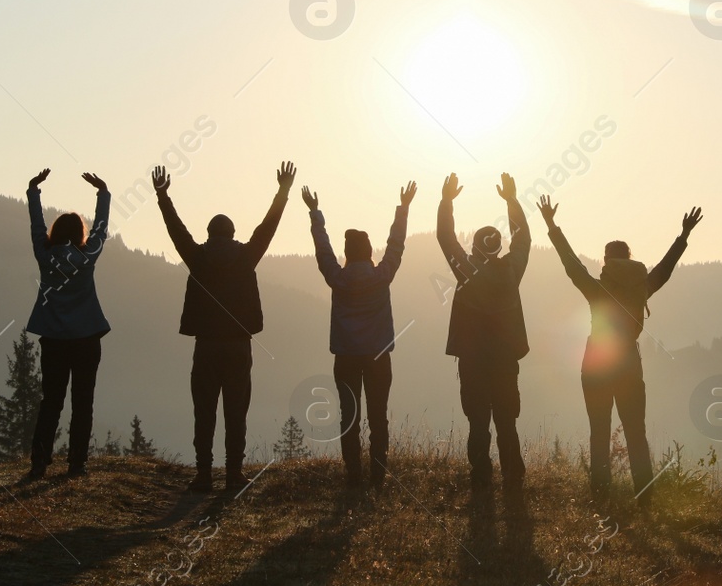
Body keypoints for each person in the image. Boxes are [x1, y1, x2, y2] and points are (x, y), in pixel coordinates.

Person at [537, 196, 702, 501]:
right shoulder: (642, 287)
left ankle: (601, 495)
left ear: (607, 262)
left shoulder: (598, 290)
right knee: (635, 432)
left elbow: (571, 264)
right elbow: (665, 269)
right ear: (630, 259)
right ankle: (645, 497)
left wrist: (551, 225)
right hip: (628, 362)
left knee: (599, 431)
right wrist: (683, 236)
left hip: (597, 362)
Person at [154, 161, 296, 492]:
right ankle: (234, 474)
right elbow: (267, 228)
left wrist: (163, 196)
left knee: (204, 411)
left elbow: (176, 230)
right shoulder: (247, 256)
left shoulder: (198, 258)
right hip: (238, 345)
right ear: (232, 234)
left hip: (206, 346)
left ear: (209, 234)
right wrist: (283, 190)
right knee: (236, 411)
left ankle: (204, 474)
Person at [301, 180, 416, 488]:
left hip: (346, 357)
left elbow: (322, 251)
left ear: (347, 254)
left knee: (348, 418)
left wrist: (315, 214)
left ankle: (353, 476)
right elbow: (396, 245)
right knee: (379, 418)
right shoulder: (382, 276)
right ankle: (378, 477)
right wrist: (403, 208)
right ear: (369, 253)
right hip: (379, 356)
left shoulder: (337, 278)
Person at [437, 172, 530, 496]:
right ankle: (513, 477)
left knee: (478, 422)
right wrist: (512, 201)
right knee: (507, 421)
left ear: (474, 248)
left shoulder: (466, 271)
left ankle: (481, 478)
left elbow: (446, 239)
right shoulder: (511, 271)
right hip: (505, 361)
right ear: (499, 247)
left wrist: (447, 201)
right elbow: (523, 241)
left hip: (473, 361)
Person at [24, 169, 111, 480]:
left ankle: (40, 460)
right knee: (82, 402)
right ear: (79, 234)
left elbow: (37, 227)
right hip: (87, 339)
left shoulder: (44, 256)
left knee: (51, 401)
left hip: (54, 340)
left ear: (56, 233)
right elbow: (101, 229)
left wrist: (34, 191)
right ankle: (77, 463)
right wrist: (103, 193)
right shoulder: (87, 257)